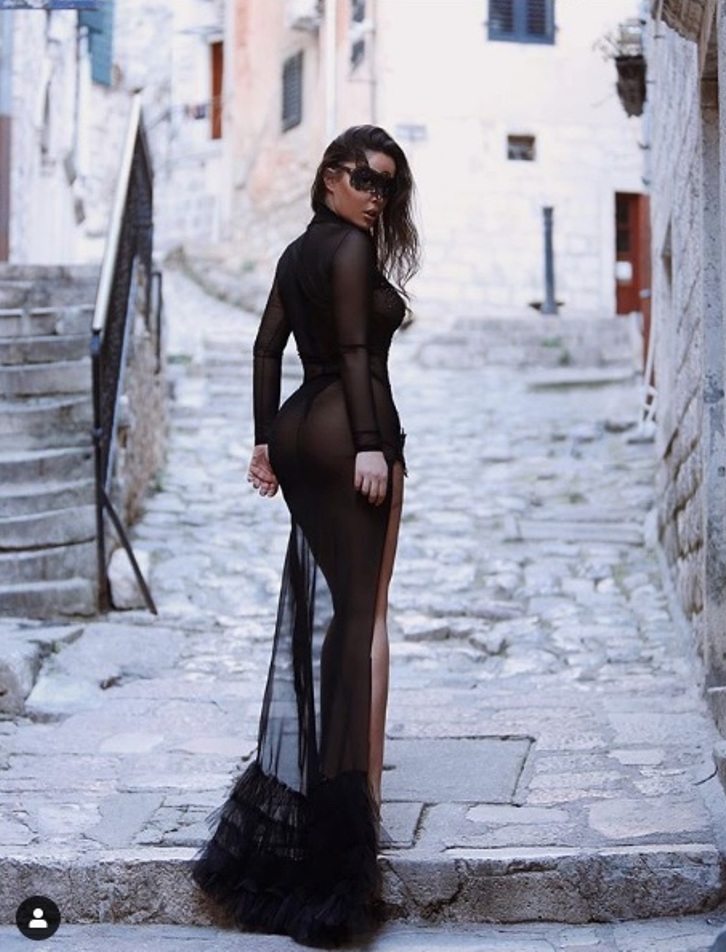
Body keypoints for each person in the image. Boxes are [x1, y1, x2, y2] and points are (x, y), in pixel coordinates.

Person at [191, 124, 420, 947]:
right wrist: (370, 444)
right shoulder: (350, 249)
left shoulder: (296, 254)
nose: (376, 195)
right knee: (365, 619)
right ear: (329, 176)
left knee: (338, 619)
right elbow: (355, 350)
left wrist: (264, 440)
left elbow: (266, 349)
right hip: (348, 434)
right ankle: (356, 809)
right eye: (365, 178)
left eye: (388, 184)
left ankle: (333, 781)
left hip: (298, 430)